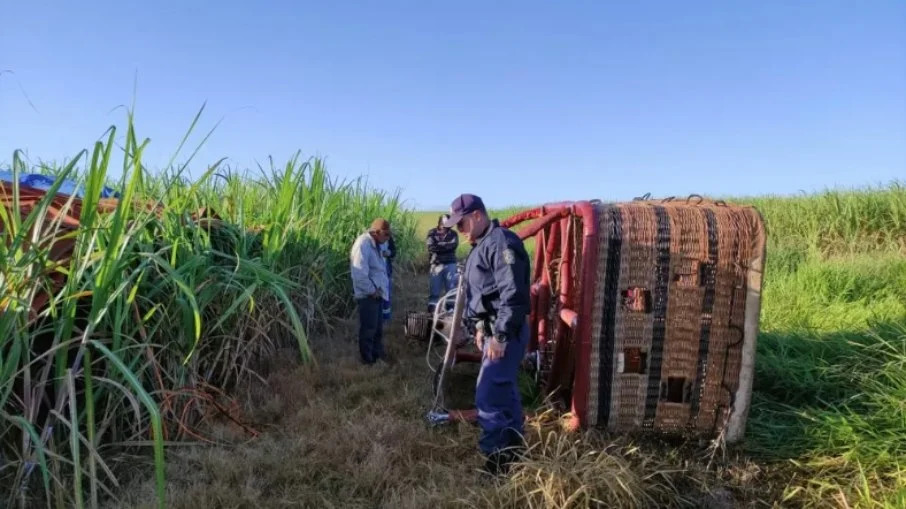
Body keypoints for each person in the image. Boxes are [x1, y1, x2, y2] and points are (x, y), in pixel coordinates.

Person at [442, 193, 531, 475]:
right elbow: (483, 295)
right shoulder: (481, 244)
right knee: (505, 390)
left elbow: (512, 295)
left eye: (462, 224)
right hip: (493, 328)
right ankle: (514, 449)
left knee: (488, 395)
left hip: (506, 330)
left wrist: (500, 336)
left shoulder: (501, 243)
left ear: (478, 216)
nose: (460, 231)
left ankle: (497, 463)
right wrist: (481, 328)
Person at [349, 218, 392, 365]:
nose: (388, 238)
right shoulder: (363, 244)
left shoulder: (377, 243)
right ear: (376, 232)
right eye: (386, 235)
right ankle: (368, 361)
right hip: (368, 295)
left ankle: (377, 356)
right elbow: (359, 273)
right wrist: (372, 291)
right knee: (368, 329)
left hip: (378, 293)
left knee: (377, 329)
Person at [425, 214, 459, 312]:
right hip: (436, 265)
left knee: (451, 290)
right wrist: (445, 246)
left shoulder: (453, 234)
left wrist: (439, 246)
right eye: (444, 224)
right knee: (434, 290)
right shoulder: (431, 233)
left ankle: (451, 310)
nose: (447, 226)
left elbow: (453, 246)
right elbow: (431, 247)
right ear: (440, 223)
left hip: (450, 264)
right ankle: (432, 311)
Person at [380, 232, 396, 321]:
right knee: (379, 297)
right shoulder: (372, 241)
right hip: (376, 273)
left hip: (386, 271)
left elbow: (394, 251)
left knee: (387, 295)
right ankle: (379, 318)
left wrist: (389, 253)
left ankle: (386, 318)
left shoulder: (388, 238)